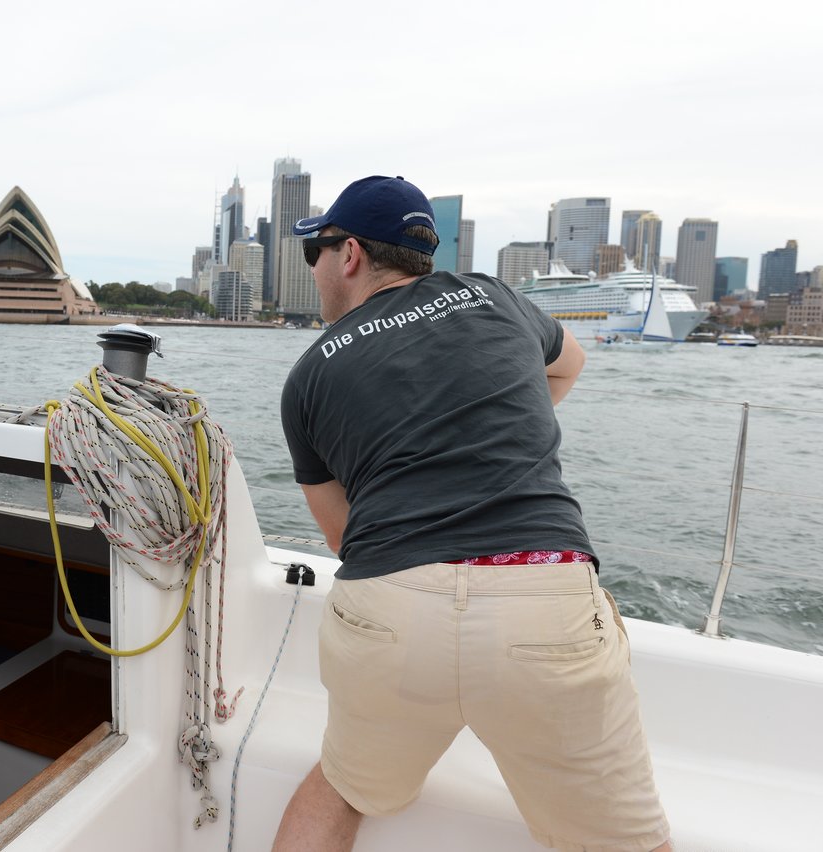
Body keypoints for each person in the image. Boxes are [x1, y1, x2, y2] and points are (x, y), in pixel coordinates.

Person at [274, 175, 671, 852]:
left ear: (349, 257)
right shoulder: (491, 295)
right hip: (541, 600)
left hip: (392, 614)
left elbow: (347, 536)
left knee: (341, 787)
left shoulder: (309, 375)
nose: (313, 269)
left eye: (318, 251)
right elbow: (567, 366)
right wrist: (486, 429)